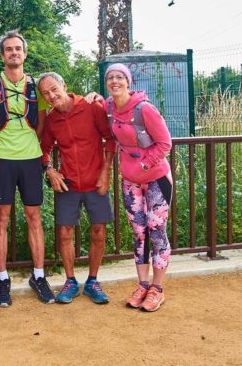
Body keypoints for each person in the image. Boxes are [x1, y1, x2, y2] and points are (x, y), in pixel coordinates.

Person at [0, 31, 53, 306]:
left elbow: (42, 124)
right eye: (8, 49)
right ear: (2, 55)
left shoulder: (36, 86)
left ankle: (39, 274)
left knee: (34, 217)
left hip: (31, 159)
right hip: (1, 159)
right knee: (2, 219)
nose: (14, 53)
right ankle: (2, 277)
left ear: (25, 53)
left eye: (18, 49)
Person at [37, 72, 116, 304]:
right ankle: (70, 281)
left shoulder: (91, 107)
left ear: (64, 85)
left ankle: (92, 281)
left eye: (54, 89)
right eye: (45, 94)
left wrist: (106, 171)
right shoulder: (51, 119)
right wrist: (51, 170)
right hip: (68, 184)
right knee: (64, 233)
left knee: (98, 231)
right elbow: (44, 149)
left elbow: (110, 138)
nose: (51, 96)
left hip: (95, 182)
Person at [103, 63, 173, 312]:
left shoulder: (145, 109)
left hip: (156, 179)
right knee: (139, 232)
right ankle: (142, 284)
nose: (115, 81)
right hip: (130, 182)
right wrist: (89, 97)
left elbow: (165, 143)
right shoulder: (109, 106)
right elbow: (92, 106)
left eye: (120, 77)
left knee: (157, 231)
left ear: (128, 82)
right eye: (110, 77)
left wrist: (145, 165)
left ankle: (157, 289)